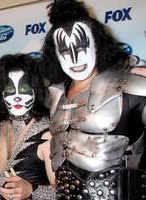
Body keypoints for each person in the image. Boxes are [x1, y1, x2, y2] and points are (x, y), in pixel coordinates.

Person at [42, 0, 146, 199]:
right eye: (64, 51)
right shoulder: (54, 97)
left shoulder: (132, 88)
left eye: (81, 48)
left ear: (97, 44)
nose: (74, 58)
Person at [0, 54, 56, 200]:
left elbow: (65, 192)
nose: (17, 97)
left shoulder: (47, 133)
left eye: (23, 88)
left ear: (35, 90)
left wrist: (32, 190)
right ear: (1, 93)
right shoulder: (3, 126)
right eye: (10, 90)